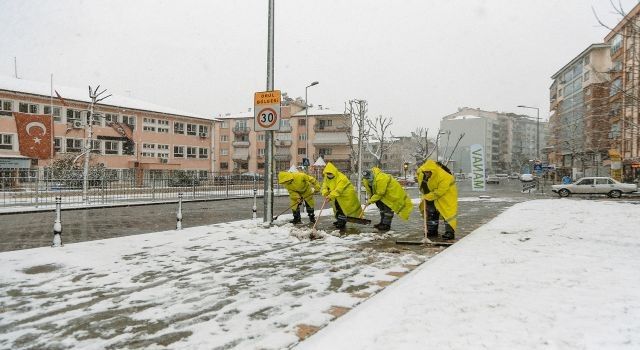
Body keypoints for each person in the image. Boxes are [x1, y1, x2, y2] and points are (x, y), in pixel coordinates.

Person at [416, 160, 458, 240]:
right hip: (431, 194)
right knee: (431, 212)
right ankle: (432, 230)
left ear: (433, 171)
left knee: (448, 214)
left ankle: (449, 232)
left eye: (428, 172)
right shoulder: (423, 172)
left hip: (446, 195)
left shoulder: (444, 176)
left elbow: (440, 191)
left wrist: (427, 196)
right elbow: (419, 174)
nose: (426, 174)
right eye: (425, 172)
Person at [362, 167, 413, 231]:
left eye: (369, 177)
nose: (368, 179)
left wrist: (370, 201)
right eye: (366, 178)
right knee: (382, 209)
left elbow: (380, 193)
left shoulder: (380, 178)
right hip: (380, 196)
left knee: (387, 210)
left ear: (372, 174)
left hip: (390, 194)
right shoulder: (365, 180)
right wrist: (370, 198)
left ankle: (386, 225)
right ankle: (382, 223)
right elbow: (370, 191)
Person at [321, 162, 362, 230]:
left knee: (343, 208)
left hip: (346, 195)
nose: (329, 175)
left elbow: (338, 190)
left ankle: (342, 222)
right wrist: (325, 193)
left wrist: (330, 196)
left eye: (330, 173)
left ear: (334, 172)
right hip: (336, 195)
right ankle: (339, 220)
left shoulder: (341, 178)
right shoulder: (326, 177)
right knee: (337, 207)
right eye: (327, 173)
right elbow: (324, 186)